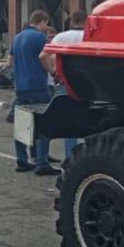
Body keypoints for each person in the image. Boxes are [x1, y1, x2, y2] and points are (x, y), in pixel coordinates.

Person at [9, 10, 60, 176]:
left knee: (23, 125)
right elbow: (45, 57)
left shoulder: (17, 38)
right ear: (43, 22)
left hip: (21, 87)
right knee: (43, 124)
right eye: (46, 24)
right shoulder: (39, 37)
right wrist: (52, 71)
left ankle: (22, 161)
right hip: (37, 85)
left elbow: (10, 61)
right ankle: (42, 162)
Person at [41, 9, 87, 158]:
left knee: (70, 123)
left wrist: (53, 72)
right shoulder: (90, 36)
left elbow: (43, 56)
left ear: (71, 21)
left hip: (65, 83)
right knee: (92, 121)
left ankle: (70, 158)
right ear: (86, 21)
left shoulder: (61, 37)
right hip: (89, 84)